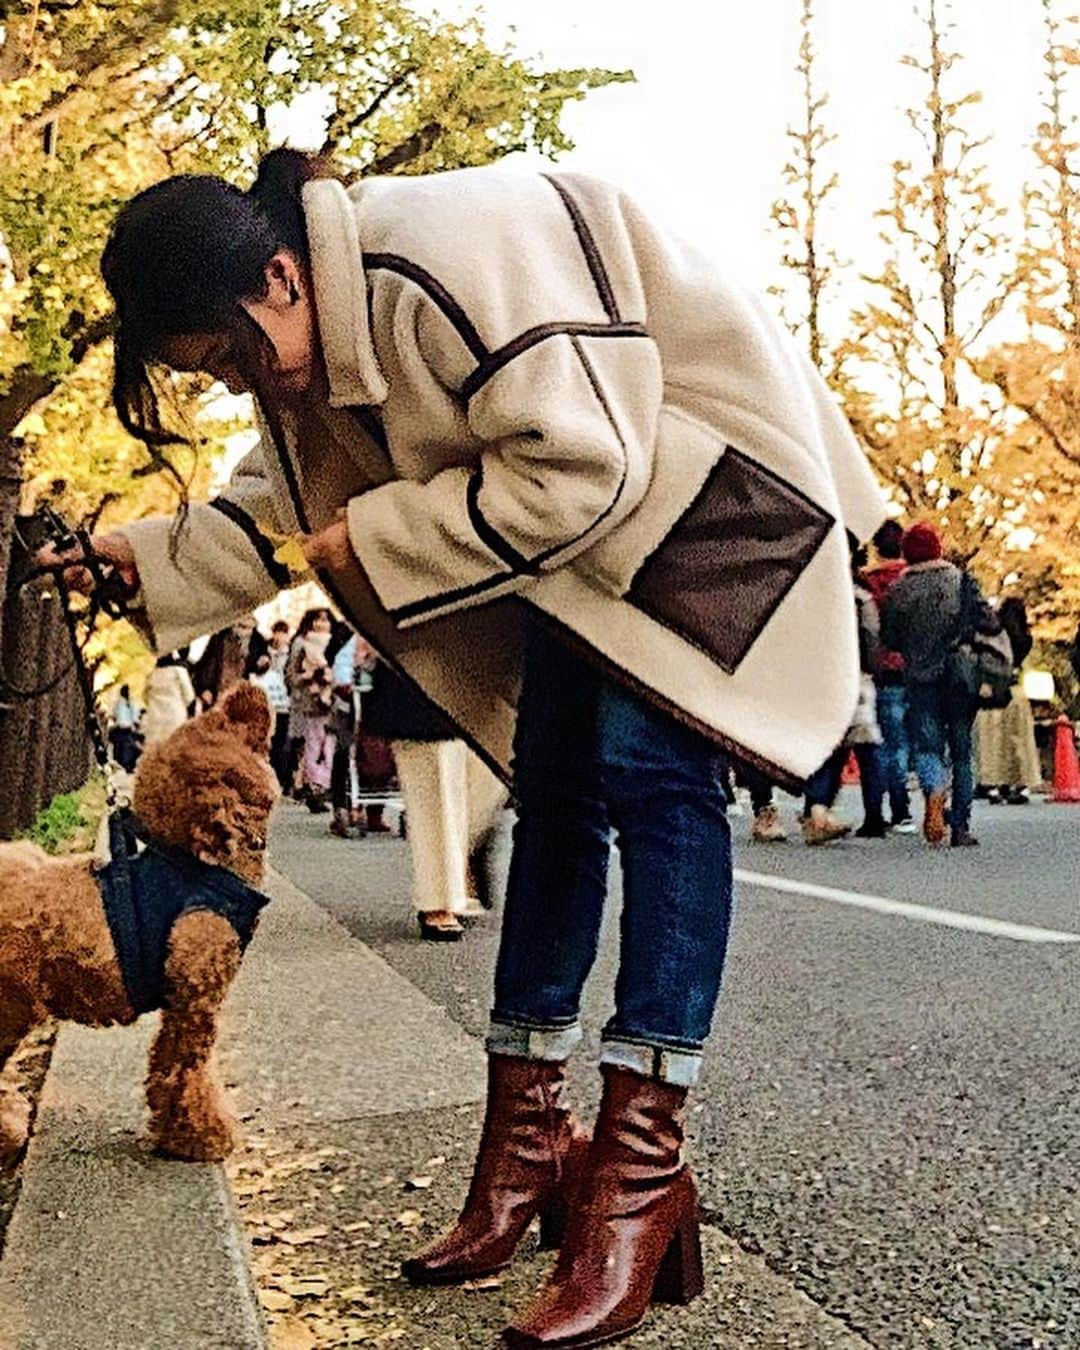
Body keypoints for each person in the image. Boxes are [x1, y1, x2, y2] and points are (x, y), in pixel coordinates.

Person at [45, 149, 884, 1345]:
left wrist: (374, 537)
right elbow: (287, 499)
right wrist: (148, 554)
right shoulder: (324, 317)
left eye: (229, 357)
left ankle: (640, 1175)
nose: (236, 387)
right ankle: (530, 1145)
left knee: (654, 784)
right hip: (588, 556)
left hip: (702, 506)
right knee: (551, 795)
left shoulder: (449, 244)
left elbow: (585, 460)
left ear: (278, 274)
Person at [362, 662, 506, 940]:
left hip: (483, 671)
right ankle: (438, 899)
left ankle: (463, 852)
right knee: (434, 788)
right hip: (420, 670)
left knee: (489, 780)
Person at [882, 522, 1000, 848]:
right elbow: (989, 622)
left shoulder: (899, 589)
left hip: (920, 679)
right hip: (960, 677)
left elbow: (889, 638)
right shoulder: (960, 581)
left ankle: (934, 790)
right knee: (962, 752)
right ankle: (960, 826)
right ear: (938, 548)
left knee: (927, 748)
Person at [801, 558, 887, 844]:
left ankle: (816, 809)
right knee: (868, 751)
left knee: (829, 749)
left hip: (822, 677)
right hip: (856, 678)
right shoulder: (861, 599)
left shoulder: (816, 596)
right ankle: (873, 815)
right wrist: (874, 668)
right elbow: (871, 638)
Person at [861, 519, 914, 832]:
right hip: (918, 667)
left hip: (883, 669)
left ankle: (887, 809)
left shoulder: (870, 583)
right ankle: (920, 806)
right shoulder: (913, 579)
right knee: (919, 743)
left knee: (886, 742)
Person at [975, 597, 1041, 804]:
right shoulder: (1025, 638)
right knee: (1020, 740)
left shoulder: (994, 635)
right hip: (1017, 690)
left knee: (993, 741)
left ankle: (993, 783)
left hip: (994, 690)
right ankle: (1020, 783)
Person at [327, 629, 391, 837]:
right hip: (353, 706)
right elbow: (342, 663)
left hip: (380, 707)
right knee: (346, 753)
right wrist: (345, 684)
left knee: (381, 759)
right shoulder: (359, 639)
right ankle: (342, 807)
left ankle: (375, 813)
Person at [286, 607, 335, 809]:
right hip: (309, 702)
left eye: (325, 620)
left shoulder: (334, 642)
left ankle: (319, 784)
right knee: (313, 745)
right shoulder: (301, 643)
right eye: (317, 620)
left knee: (329, 745)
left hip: (333, 700)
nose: (321, 624)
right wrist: (308, 678)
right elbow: (291, 675)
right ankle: (316, 787)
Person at [250, 618, 293, 788]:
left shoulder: (290, 653)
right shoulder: (264, 651)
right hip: (267, 699)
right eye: (278, 632)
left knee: (282, 741)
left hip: (284, 702)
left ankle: (281, 778)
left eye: (283, 633)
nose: (280, 637)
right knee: (267, 739)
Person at [192, 614, 266, 707]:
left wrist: (263, 664)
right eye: (242, 627)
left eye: (249, 628)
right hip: (218, 695)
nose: (245, 632)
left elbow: (258, 668)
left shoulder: (257, 641)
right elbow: (206, 664)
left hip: (240, 698)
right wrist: (204, 688)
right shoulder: (219, 638)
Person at [140, 650, 196, 747]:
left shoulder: (152, 675)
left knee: (155, 752)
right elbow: (190, 696)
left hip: (155, 720)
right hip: (176, 717)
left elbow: (145, 697)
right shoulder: (179, 671)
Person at [108, 683, 141, 771]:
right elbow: (135, 719)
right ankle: (127, 764)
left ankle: (121, 763)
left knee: (120, 747)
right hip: (127, 730)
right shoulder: (131, 703)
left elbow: (114, 716)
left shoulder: (120, 703)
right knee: (129, 746)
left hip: (121, 729)